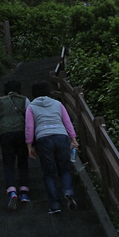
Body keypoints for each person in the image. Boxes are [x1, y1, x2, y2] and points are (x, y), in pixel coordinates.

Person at [25, 80, 79, 214]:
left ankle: (55, 205)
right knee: (64, 169)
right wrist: (73, 138)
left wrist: (29, 144)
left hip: (43, 138)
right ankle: (67, 192)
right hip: (61, 136)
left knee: (49, 173)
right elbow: (67, 121)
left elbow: (29, 127)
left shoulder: (31, 107)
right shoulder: (58, 104)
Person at [0, 79, 31, 211]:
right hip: (21, 133)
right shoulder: (25, 100)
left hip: (5, 134)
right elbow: (30, 119)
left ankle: (12, 192)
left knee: (8, 164)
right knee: (23, 163)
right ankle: (24, 193)